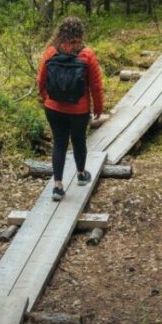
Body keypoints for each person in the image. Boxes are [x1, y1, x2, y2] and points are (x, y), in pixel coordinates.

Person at [36, 16, 104, 200]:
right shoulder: (87, 54)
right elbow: (95, 86)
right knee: (79, 141)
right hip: (79, 110)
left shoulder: (51, 52)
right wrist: (98, 107)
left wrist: (47, 100)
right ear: (80, 34)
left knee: (59, 143)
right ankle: (81, 174)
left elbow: (40, 81)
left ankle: (57, 186)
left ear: (60, 33)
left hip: (53, 109)